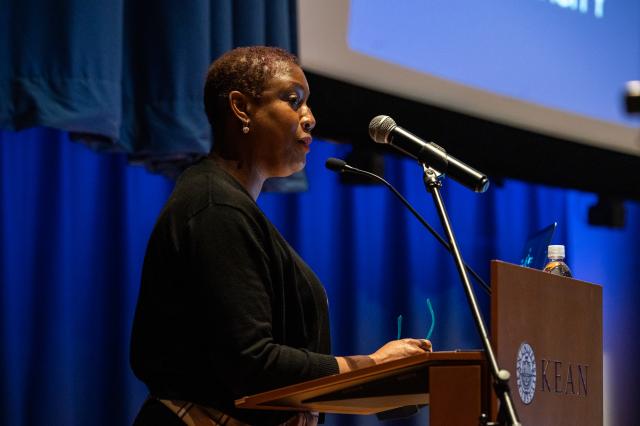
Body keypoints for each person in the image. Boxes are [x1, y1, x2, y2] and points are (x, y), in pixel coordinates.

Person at [130, 46, 432, 426]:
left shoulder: (230, 205)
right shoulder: (216, 207)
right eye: (294, 101)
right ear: (241, 108)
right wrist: (370, 365)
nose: (310, 118)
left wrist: (370, 375)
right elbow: (251, 360)